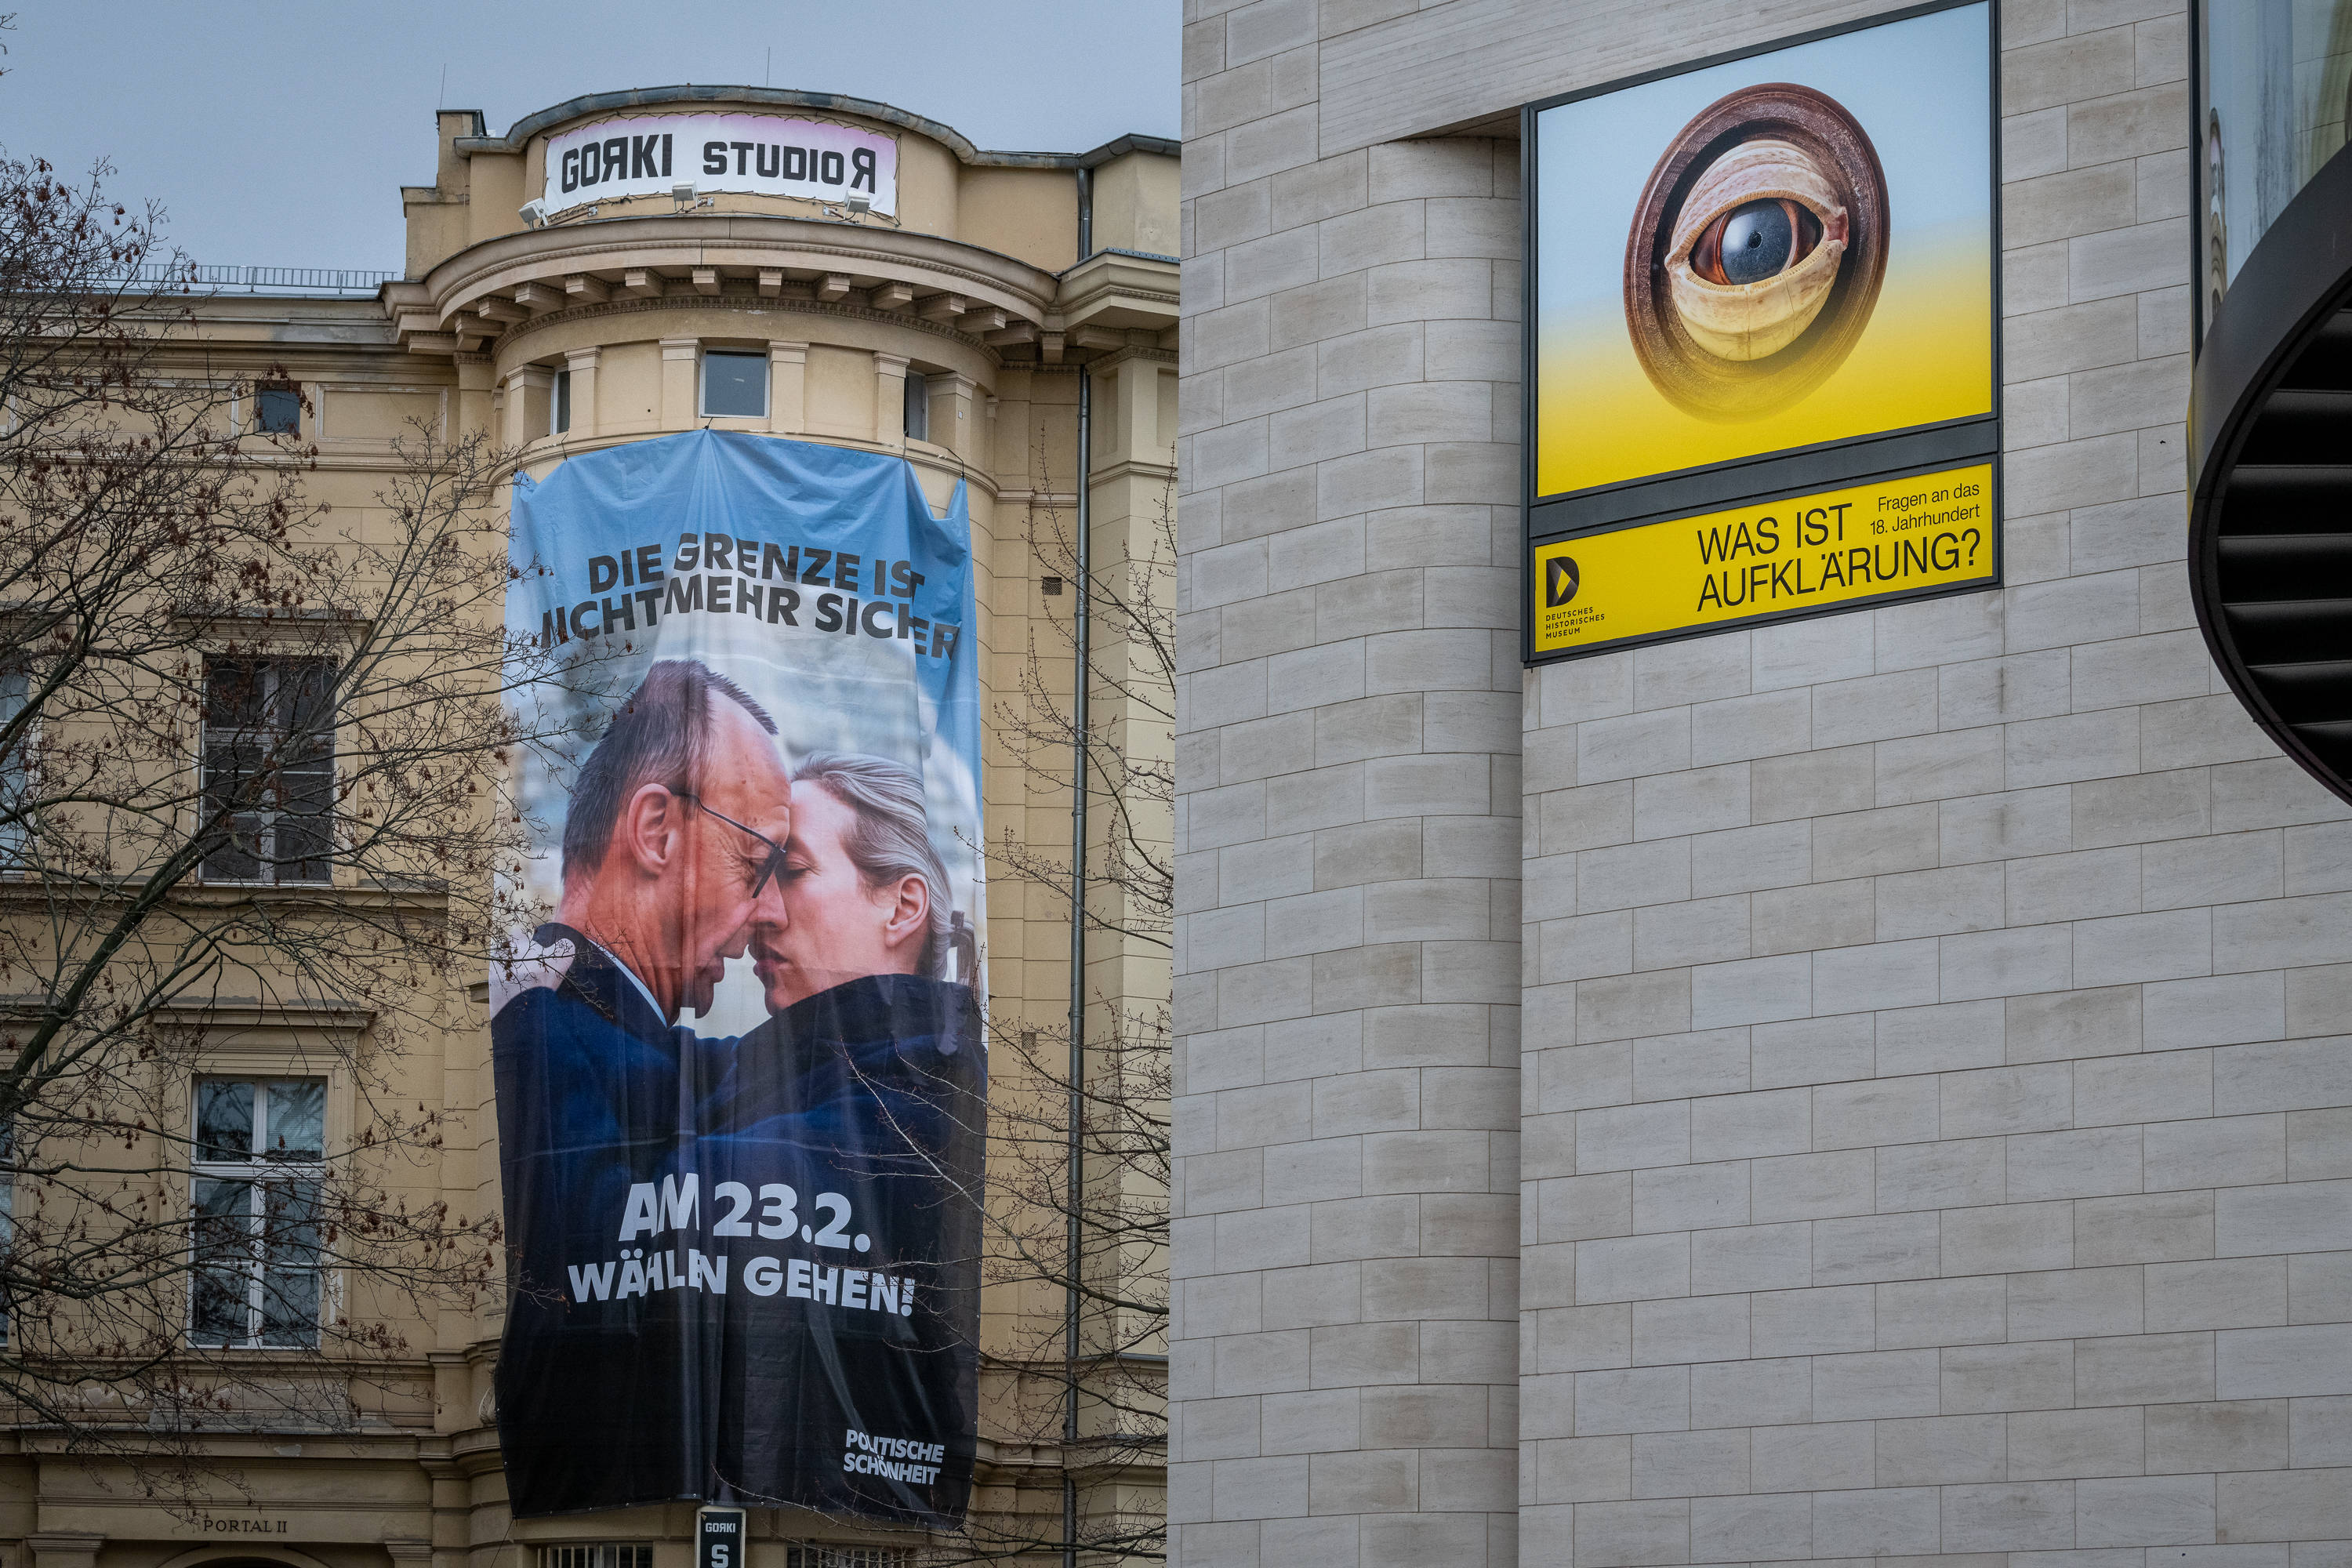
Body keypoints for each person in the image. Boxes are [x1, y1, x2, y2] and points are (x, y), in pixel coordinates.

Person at [489, 657, 793, 1518]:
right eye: (757, 861)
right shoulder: (545, 1026)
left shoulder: (570, 1010)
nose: (772, 912)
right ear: (655, 830)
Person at [701, 753, 986, 1524]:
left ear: (901, 908)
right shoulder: (773, 1068)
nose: (758, 911)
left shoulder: (922, 1112)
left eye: (789, 873)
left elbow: (626, 1183)